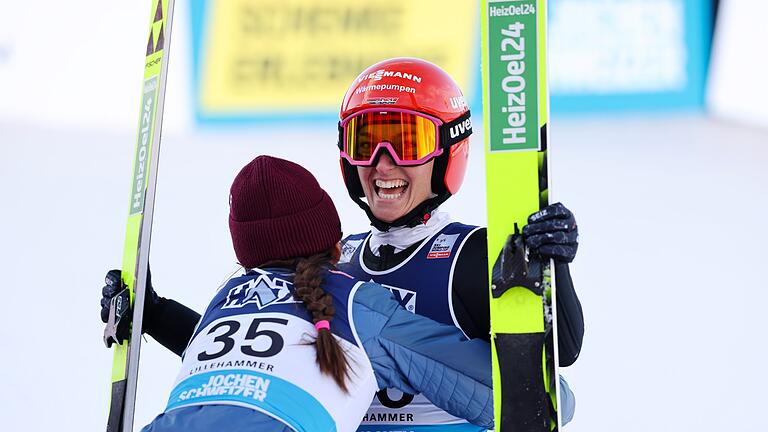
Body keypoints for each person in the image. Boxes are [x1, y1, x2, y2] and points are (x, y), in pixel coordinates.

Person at [101, 58, 584, 431]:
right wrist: (155, 313)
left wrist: (551, 270)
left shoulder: (469, 255)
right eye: (365, 142)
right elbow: (262, 357)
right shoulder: (333, 259)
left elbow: (558, 358)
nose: (382, 163)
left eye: (406, 143)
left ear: (447, 151)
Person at [138, 156, 494, 432]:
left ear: (244, 255)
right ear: (335, 247)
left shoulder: (228, 297)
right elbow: (490, 392)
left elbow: (242, 369)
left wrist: (152, 314)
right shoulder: (355, 305)